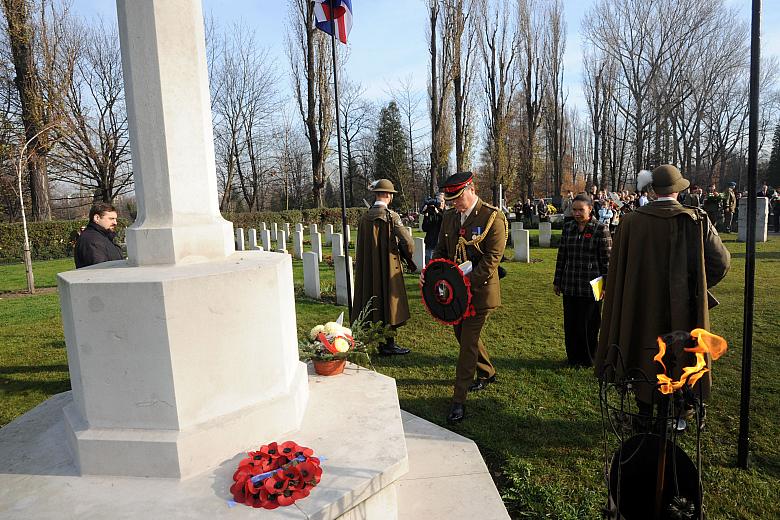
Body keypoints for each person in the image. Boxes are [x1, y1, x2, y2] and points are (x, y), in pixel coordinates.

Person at [594, 164, 731, 414]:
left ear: (654, 190)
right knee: (681, 354)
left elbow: (618, 268)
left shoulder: (630, 222)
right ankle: (676, 411)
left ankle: (644, 412)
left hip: (640, 304)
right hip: (684, 306)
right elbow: (721, 263)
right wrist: (695, 286)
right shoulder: (696, 220)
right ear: (678, 190)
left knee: (642, 349)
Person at [425, 171, 507, 423]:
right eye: (451, 200)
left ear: (472, 189)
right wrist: (432, 274)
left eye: (458, 198)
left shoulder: (493, 216)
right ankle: (487, 371)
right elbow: (441, 251)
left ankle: (458, 399)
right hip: (455, 293)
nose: (455, 204)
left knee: (467, 342)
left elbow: (492, 259)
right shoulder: (450, 217)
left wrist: (464, 285)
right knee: (462, 335)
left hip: (480, 292)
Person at [352, 179, 415, 356]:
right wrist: (408, 256)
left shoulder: (364, 217)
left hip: (369, 267)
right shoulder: (391, 216)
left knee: (374, 297)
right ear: (388, 195)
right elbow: (408, 242)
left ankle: (379, 340)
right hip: (388, 265)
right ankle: (388, 344)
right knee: (389, 301)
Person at [553, 194, 612, 367]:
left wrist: (607, 286)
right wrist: (558, 281)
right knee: (571, 324)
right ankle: (573, 357)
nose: (577, 213)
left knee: (589, 324)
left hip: (592, 287)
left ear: (590, 209)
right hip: (570, 284)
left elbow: (607, 261)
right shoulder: (569, 227)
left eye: (581, 210)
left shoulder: (600, 229)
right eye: (575, 209)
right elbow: (562, 255)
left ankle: (588, 358)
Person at [75, 203, 123, 268]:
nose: (115, 223)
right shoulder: (92, 240)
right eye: (111, 219)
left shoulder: (103, 236)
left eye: (115, 219)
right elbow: (100, 271)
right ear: (97, 218)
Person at [421, 192, 445, 265]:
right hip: (430, 243)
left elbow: (444, 223)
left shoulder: (447, 213)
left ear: (444, 201)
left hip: (441, 245)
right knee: (428, 266)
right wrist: (426, 214)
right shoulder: (431, 212)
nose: (439, 203)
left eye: (441, 201)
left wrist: (438, 212)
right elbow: (424, 228)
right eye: (437, 200)